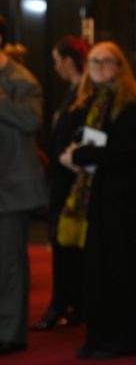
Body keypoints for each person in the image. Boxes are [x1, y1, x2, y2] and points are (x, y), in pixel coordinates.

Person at [59, 41, 136, 360]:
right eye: (94, 61)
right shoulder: (87, 102)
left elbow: (124, 153)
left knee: (121, 270)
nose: (99, 67)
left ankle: (121, 338)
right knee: (95, 271)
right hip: (94, 202)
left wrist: (82, 154)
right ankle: (97, 335)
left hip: (121, 204)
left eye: (107, 61)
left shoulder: (131, 107)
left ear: (120, 67)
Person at [31, 36, 89, 331]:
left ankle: (70, 303)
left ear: (68, 60)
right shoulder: (71, 93)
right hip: (62, 176)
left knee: (68, 243)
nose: (55, 68)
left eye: (57, 61)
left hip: (73, 178)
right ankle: (66, 302)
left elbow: (87, 135)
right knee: (61, 241)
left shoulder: (85, 94)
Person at [0, 15, 47, 356]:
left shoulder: (21, 79)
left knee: (10, 261)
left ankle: (10, 332)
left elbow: (31, 120)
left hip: (11, 186)